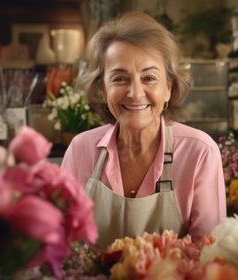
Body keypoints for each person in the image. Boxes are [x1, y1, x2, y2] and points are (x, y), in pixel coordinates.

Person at [60, 10, 226, 251]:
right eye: (119, 79)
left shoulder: (199, 152)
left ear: (168, 88)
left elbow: (209, 254)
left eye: (148, 78)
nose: (135, 93)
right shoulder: (80, 150)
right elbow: (61, 246)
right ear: (104, 91)